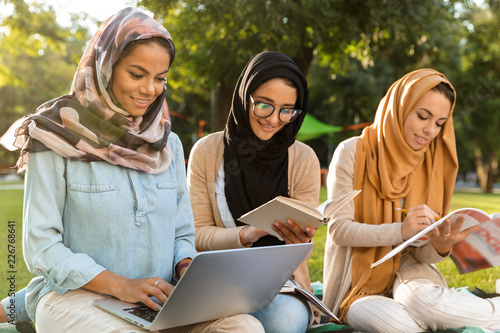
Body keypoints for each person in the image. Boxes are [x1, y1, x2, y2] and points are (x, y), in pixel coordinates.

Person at [0, 7, 263, 333]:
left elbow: (182, 234)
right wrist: (122, 286)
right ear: (106, 67)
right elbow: (42, 247)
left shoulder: (169, 144)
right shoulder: (54, 135)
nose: (150, 89)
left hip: (159, 299)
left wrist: (186, 267)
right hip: (75, 296)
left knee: (245, 327)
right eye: (137, 75)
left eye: (160, 78)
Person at [322, 68, 500, 332]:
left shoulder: (434, 161)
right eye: (422, 116)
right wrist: (400, 231)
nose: (430, 130)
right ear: (400, 107)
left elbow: (423, 253)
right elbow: (339, 230)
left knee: (424, 302)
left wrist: (440, 246)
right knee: (396, 324)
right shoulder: (352, 152)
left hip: (413, 274)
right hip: (359, 286)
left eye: (440, 123)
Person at [187, 51, 321, 333]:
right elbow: (195, 235)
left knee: (285, 322)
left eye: (288, 109)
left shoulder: (304, 159)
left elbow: (301, 252)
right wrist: (245, 235)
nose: (274, 119)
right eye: (264, 105)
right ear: (244, 96)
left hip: (280, 285)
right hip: (217, 279)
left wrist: (299, 241)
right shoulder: (206, 153)